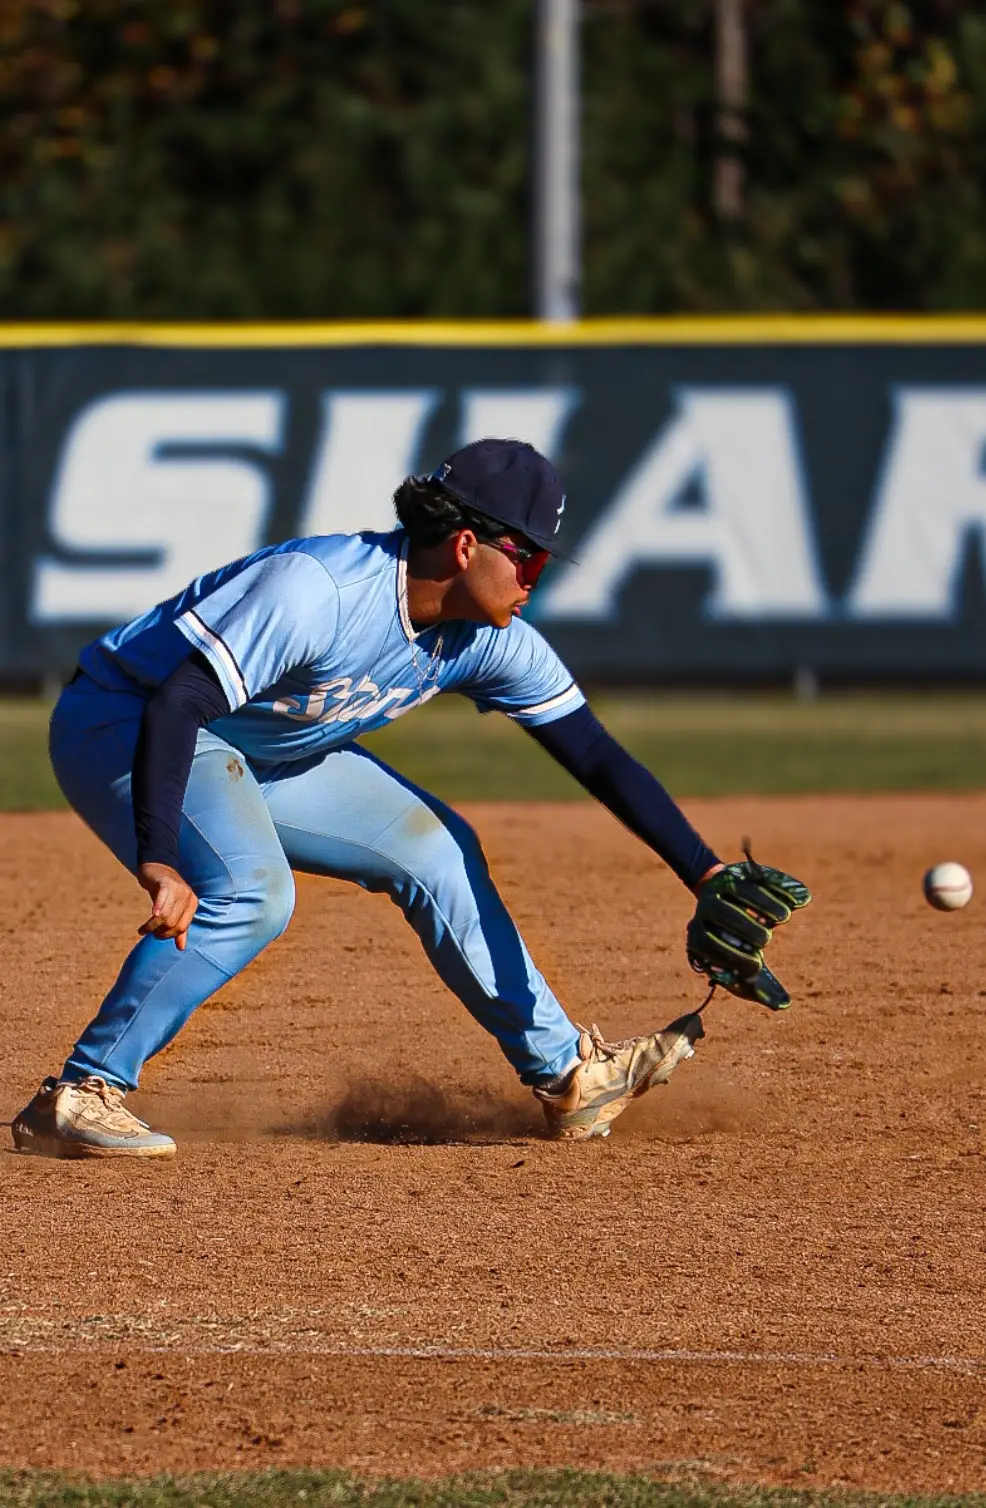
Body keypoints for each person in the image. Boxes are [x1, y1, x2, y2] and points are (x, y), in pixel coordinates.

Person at [11, 438, 810, 1159]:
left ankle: (569, 1078)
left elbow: (594, 753)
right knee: (253, 892)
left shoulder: (488, 639)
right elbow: (180, 700)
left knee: (437, 847)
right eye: (528, 560)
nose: (534, 582)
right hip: (126, 719)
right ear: (465, 545)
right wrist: (159, 857)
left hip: (263, 744)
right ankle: (81, 1093)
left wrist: (705, 873)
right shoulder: (320, 591)